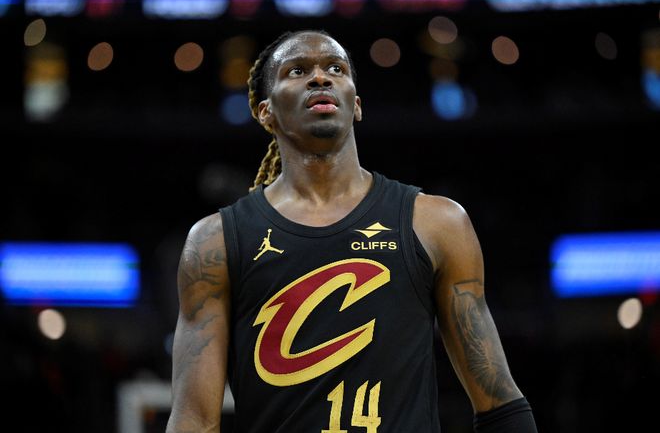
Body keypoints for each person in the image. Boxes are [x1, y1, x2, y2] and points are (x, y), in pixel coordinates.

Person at [166, 30, 538, 433]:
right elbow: (194, 420)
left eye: (335, 68)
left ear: (356, 105)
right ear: (265, 112)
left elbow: (499, 403)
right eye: (297, 71)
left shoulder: (437, 222)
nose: (320, 77)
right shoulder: (215, 242)